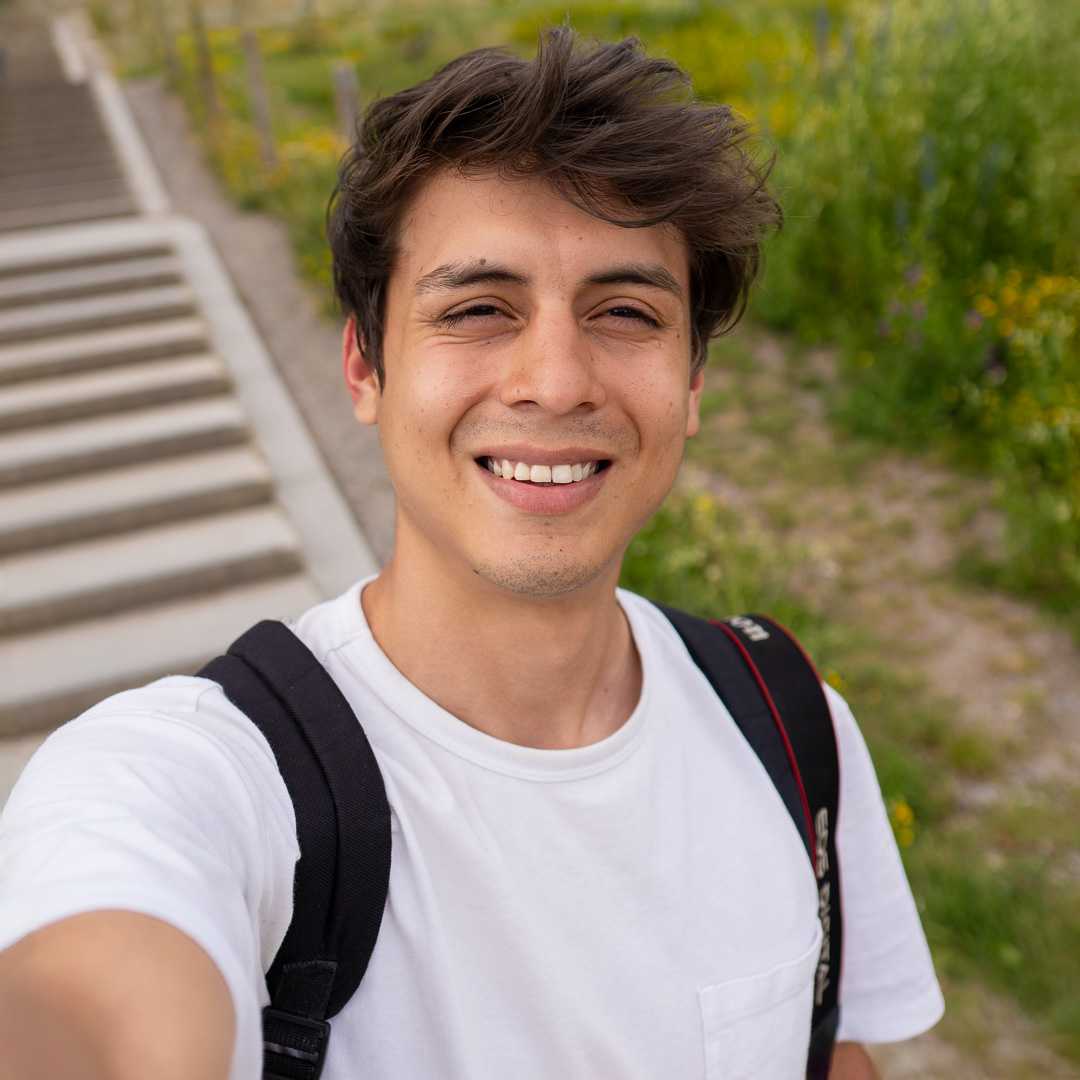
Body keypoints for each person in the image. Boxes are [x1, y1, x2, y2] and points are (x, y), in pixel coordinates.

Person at [0, 27, 943, 1080]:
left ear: (692, 385)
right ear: (365, 367)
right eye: (479, 309)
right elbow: (96, 986)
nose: (554, 381)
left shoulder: (789, 722)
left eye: (625, 311)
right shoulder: (207, 776)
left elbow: (831, 1053)